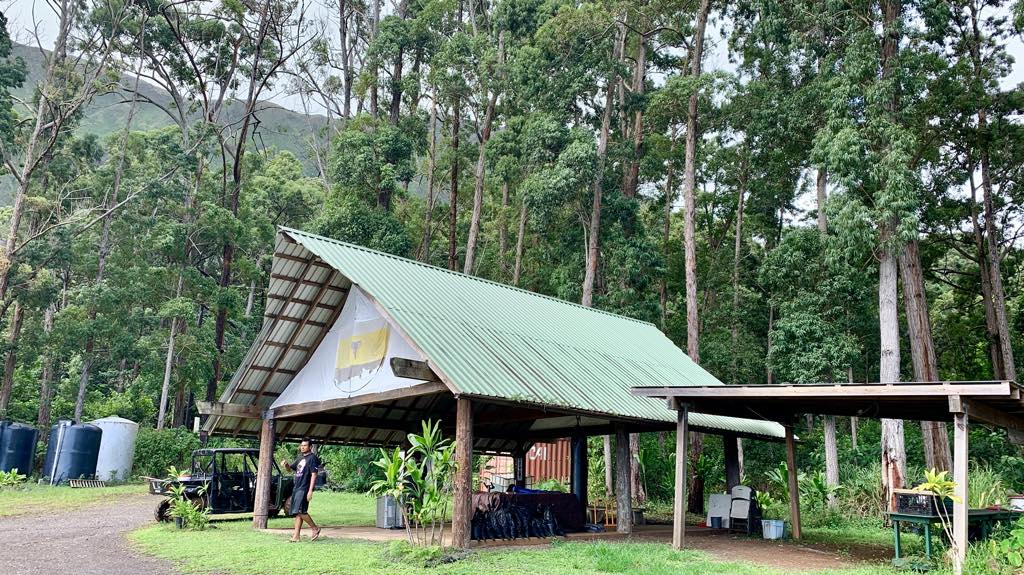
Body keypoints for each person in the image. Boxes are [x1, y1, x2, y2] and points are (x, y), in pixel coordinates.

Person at [281, 437, 322, 542]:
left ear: (310, 447)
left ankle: (315, 528)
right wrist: (286, 465)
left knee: (301, 511)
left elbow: (314, 474)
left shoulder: (312, 458)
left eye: (305, 445)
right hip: (297, 487)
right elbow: (290, 469)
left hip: (304, 488)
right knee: (298, 512)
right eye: (301, 445)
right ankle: (296, 537)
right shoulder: (300, 458)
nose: (302, 447)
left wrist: (310, 490)